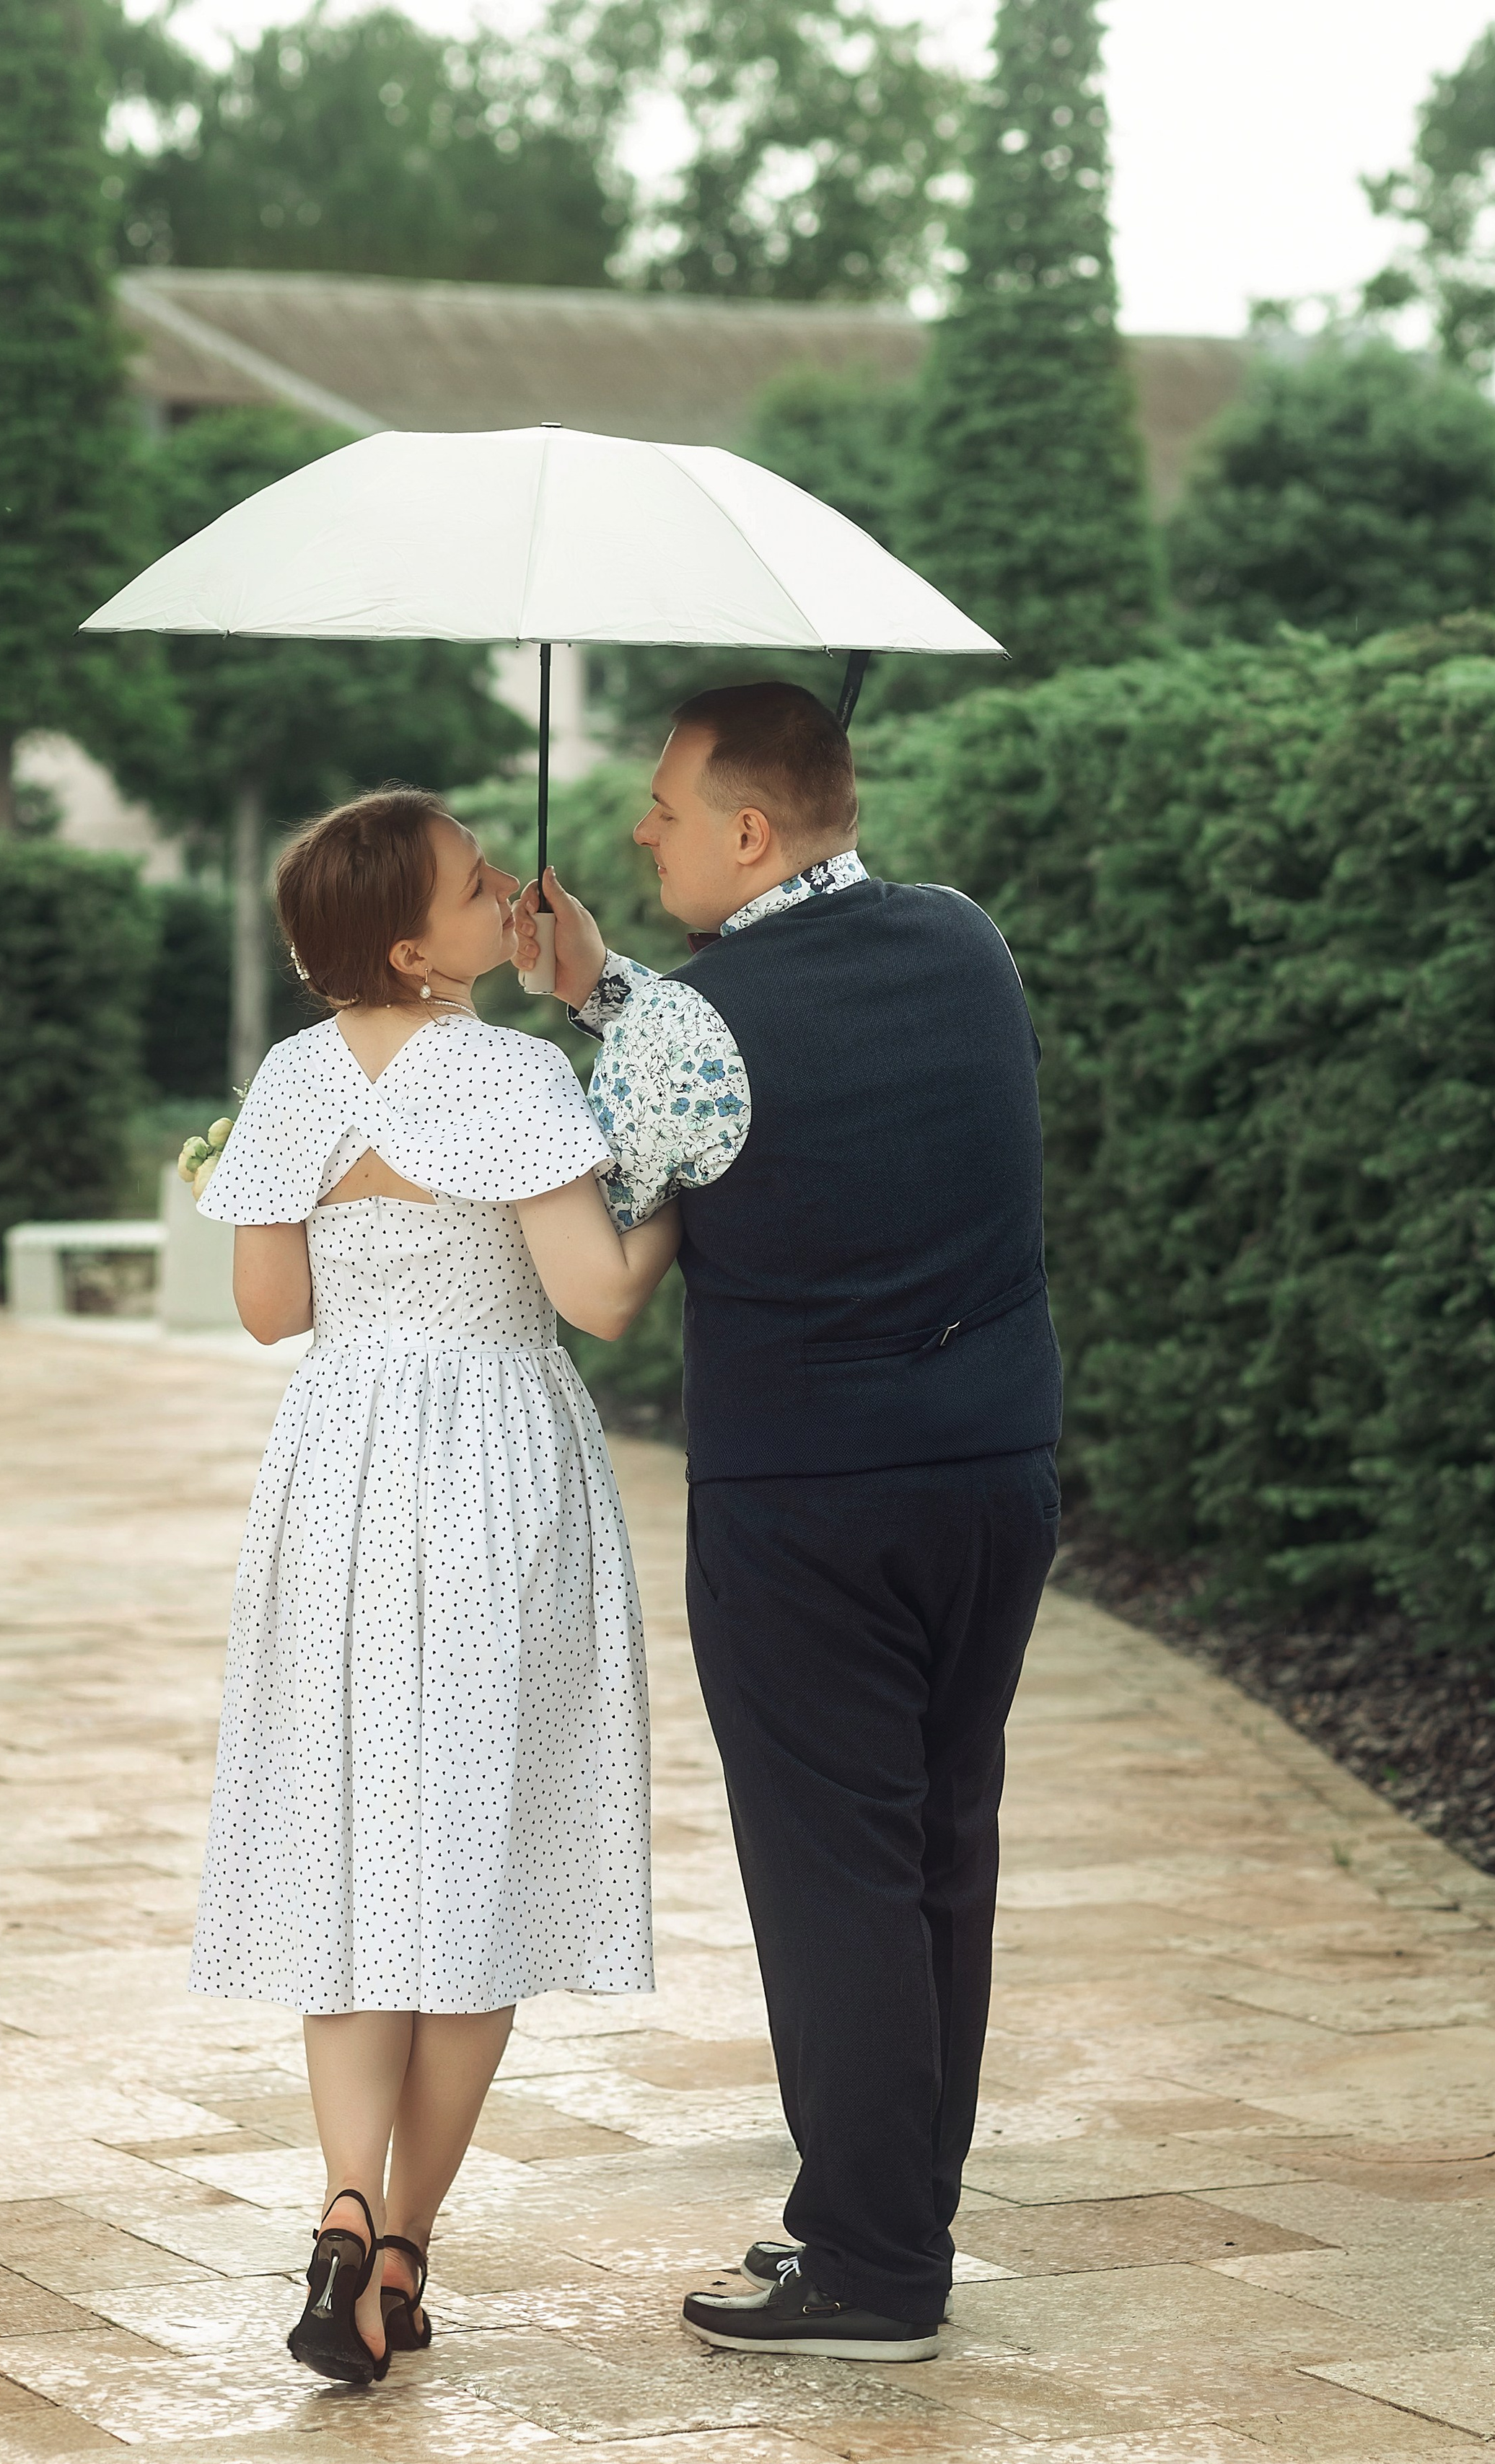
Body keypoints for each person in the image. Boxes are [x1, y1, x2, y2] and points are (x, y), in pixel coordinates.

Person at [516, 679, 1061, 2362]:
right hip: (991, 1475)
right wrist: (604, 987)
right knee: (937, 1850)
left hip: (805, 1500)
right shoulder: (962, 940)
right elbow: (760, 1052)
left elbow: (608, 1257)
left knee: (833, 1875)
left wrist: (508, 1083)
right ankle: (895, 2219)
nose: (638, 831)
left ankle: (872, 2269)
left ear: (744, 830)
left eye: (663, 808)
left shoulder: (689, 1026)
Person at [191, 787, 681, 2385]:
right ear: (413, 949)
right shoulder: (513, 1074)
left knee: (352, 1850)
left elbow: (270, 1307)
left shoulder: (291, 1078)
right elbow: (599, 1297)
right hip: (489, 1478)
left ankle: (340, 2203)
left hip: (338, 1477)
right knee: (474, 1859)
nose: (508, 891)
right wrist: (673, 1181)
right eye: (477, 885)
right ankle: (402, 2248)